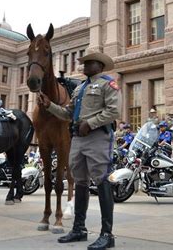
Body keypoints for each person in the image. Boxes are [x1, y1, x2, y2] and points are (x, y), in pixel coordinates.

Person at [38, 52, 120, 250]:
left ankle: (107, 234)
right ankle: (79, 229)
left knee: (101, 180)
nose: (83, 65)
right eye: (83, 63)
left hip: (98, 137)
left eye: (88, 63)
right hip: (78, 138)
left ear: (99, 65)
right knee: (80, 181)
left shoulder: (108, 84)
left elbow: (114, 111)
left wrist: (90, 124)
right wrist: (50, 106)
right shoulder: (80, 88)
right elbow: (68, 114)